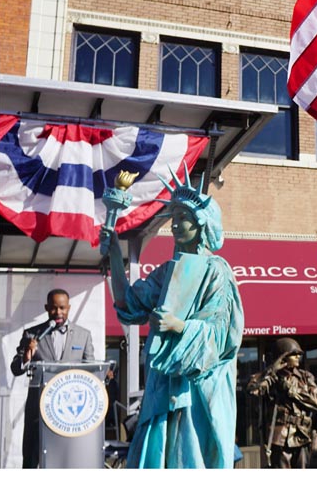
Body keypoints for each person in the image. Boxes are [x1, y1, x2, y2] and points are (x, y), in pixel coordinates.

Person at [100, 169, 244, 468]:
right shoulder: (167, 271)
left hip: (197, 389)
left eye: (184, 218)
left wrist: (180, 327)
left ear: (202, 224)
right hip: (162, 383)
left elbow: (223, 336)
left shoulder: (216, 270)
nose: (176, 224)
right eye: (174, 217)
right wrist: (115, 251)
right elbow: (128, 303)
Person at [10, 288, 95, 468]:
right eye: (54, 308)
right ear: (47, 308)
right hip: (39, 403)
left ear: (69, 308)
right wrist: (26, 356)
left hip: (70, 409)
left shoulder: (83, 335)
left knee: (66, 459)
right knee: (32, 456)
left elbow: (91, 371)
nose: (58, 313)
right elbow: (15, 369)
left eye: (62, 308)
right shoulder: (31, 334)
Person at [247, 337, 317, 468]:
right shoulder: (271, 378)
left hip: (302, 435)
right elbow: (252, 389)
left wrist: (292, 391)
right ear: (283, 357)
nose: (298, 357)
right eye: (294, 354)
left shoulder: (305, 377)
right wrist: (271, 370)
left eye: (299, 354)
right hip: (279, 437)